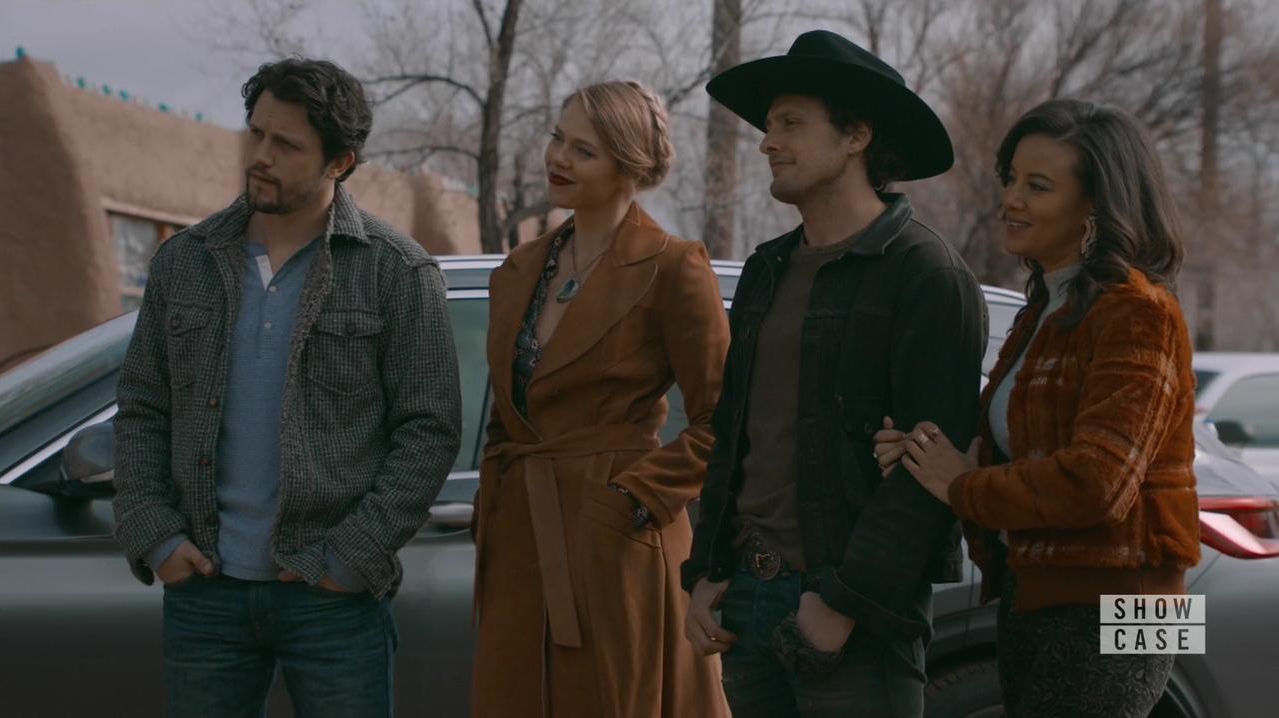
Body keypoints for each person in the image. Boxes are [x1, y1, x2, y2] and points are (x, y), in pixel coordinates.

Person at [112, 57, 463, 718]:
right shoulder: (185, 261)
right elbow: (141, 411)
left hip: (331, 597)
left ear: (340, 163)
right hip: (205, 589)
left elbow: (430, 429)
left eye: (287, 144)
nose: (260, 156)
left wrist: (352, 557)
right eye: (256, 133)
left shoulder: (395, 272)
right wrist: (154, 534)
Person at [681, 30, 988, 718]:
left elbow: (930, 467)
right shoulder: (766, 269)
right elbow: (733, 434)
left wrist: (844, 603)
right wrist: (706, 572)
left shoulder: (924, 273)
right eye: (768, 126)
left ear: (856, 136)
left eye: (790, 123)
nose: (768, 142)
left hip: (852, 613)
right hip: (746, 598)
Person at [875, 99, 1200, 717]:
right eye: (1011, 180)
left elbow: (1098, 483)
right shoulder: (1045, 308)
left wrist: (963, 483)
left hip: (1128, 605)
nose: (1011, 200)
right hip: (1035, 591)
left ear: (1097, 207)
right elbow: (1023, 451)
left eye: (1038, 186)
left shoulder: (1140, 310)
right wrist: (927, 455)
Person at [469, 79, 732, 717]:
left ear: (628, 167)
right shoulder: (518, 269)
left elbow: (725, 419)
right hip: (518, 539)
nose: (558, 158)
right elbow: (507, 412)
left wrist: (635, 500)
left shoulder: (674, 267)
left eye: (583, 151)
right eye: (558, 138)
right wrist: (490, 508)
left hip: (616, 541)